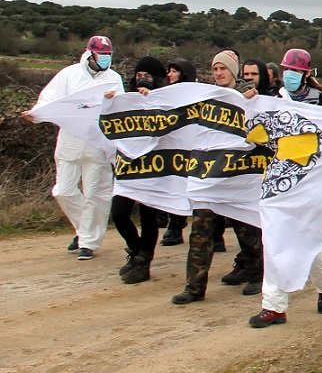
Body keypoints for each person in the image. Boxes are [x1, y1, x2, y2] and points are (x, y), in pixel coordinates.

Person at [250, 48, 322, 328]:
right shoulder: (274, 100)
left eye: (295, 72)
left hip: (314, 184)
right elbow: (256, 133)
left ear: (307, 74)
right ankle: (274, 307)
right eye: (287, 70)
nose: (290, 76)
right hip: (280, 182)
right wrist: (248, 104)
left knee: (317, 251)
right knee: (274, 242)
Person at [171, 49, 263, 305]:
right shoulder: (206, 98)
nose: (219, 73)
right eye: (215, 69)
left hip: (238, 175)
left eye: (223, 69)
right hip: (208, 175)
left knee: (247, 230)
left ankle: (256, 274)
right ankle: (194, 287)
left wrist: (248, 100)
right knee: (200, 231)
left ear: (233, 72)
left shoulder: (250, 97)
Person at [23, 35, 123, 260]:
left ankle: (88, 242)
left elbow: (121, 109)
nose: (105, 59)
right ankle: (83, 230)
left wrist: (110, 100)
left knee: (96, 194)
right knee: (63, 190)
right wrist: (36, 113)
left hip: (98, 143)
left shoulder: (113, 78)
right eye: (101, 54)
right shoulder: (69, 75)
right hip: (70, 139)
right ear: (90, 53)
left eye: (108, 55)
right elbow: (50, 98)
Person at [107, 56, 167, 283]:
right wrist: (111, 103)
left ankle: (144, 260)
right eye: (139, 75)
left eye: (148, 76)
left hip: (153, 168)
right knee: (119, 213)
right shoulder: (127, 99)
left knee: (148, 216)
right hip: (128, 168)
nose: (142, 79)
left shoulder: (164, 101)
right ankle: (135, 249)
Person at [159, 58, 198, 247]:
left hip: (191, 147)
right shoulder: (164, 94)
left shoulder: (196, 95)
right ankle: (175, 225)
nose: (170, 74)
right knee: (174, 183)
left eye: (174, 71)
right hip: (172, 148)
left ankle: (214, 232)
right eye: (169, 71)